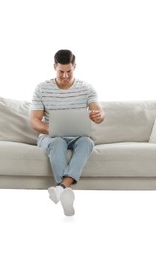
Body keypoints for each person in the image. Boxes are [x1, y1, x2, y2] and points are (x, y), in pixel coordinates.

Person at [30, 49, 105, 216]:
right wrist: (53, 128)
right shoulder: (42, 88)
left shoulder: (86, 88)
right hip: (51, 136)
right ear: (54, 67)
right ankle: (65, 191)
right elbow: (34, 121)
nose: (65, 76)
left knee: (87, 142)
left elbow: (99, 111)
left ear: (75, 67)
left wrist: (99, 115)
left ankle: (61, 188)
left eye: (69, 71)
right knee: (57, 142)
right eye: (61, 72)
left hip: (78, 136)